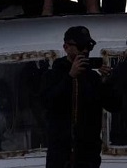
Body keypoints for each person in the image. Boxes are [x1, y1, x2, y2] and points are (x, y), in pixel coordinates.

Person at [43, 26, 121, 168]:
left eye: (88, 46)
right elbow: (49, 104)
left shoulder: (93, 78)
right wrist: (70, 77)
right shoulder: (53, 75)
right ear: (66, 47)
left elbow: (115, 106)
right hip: (60, 155)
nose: (85, 51)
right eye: (80, 46)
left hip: (88, 156)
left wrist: (106, 83)